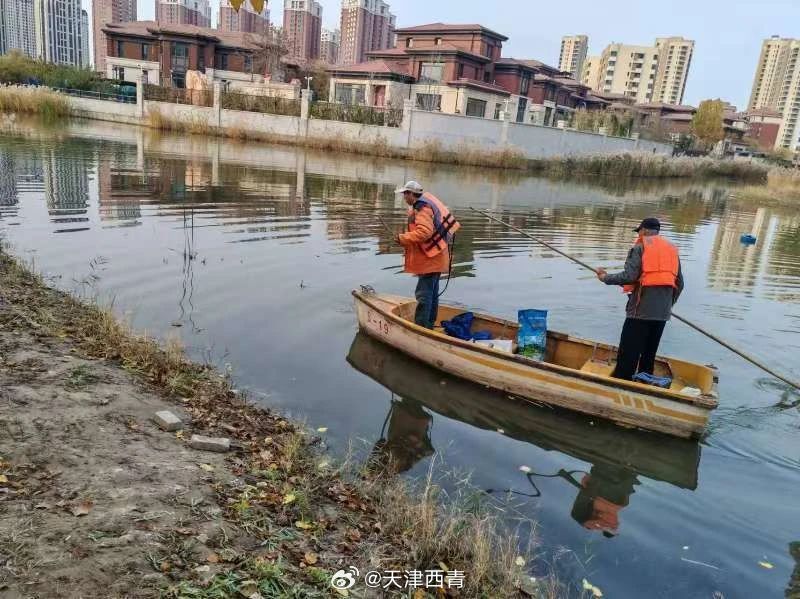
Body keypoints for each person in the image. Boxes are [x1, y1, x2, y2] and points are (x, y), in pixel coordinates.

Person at [596, 217, 684, 381]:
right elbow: (680, 283)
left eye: (639, 232)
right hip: (662, 313)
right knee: (649, 353)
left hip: (640, 311)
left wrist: (605, 277)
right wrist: (667, 305)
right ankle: (644, 382)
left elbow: (629, 276)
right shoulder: (671, 249)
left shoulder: (640, 247)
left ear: (643, 231)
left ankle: (621, 383)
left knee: (629, 352)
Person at [394, 181, 460, 329]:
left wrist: (403, 238)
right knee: (432, 293)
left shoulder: (422, 208)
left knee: (424, 295)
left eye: (405, 194)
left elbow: (425, 232)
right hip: (437, 257)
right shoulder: (426, 203)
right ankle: (429, 324)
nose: (404, 197)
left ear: (412, 194)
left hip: (430, 260)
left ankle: (422, 328)